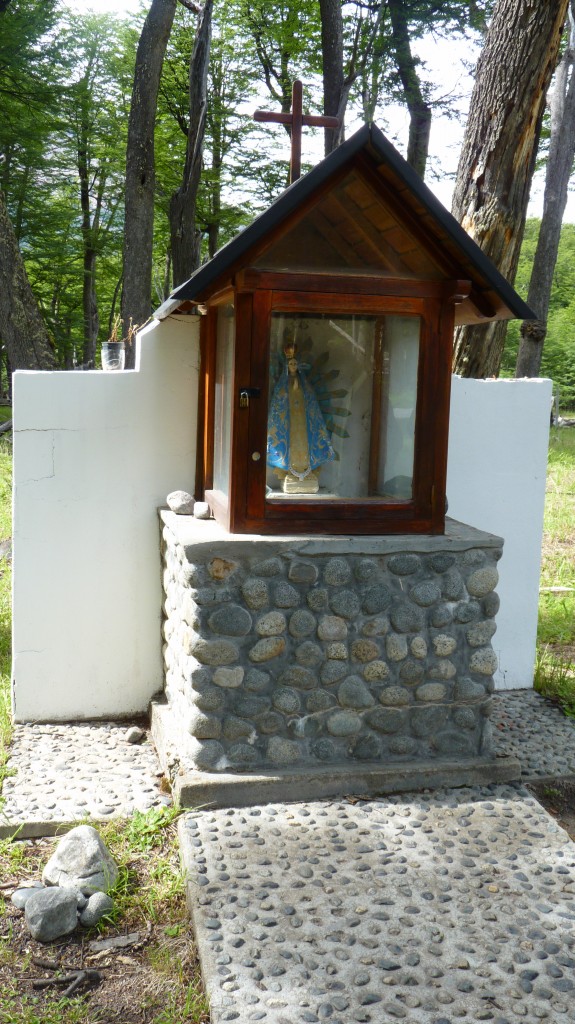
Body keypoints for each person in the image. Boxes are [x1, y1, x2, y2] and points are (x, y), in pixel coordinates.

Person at [267, 342, 335, 493]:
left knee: (303, 444)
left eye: (295, 363)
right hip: (289, 422)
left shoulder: (305, 385)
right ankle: (290, 471)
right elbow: (278, 404)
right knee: (291, 443)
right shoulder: (282, 385)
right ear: (287, 366)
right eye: (290, 363)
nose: (293, 366)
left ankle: (306, 470)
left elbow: (311, 404)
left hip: (303, 422)